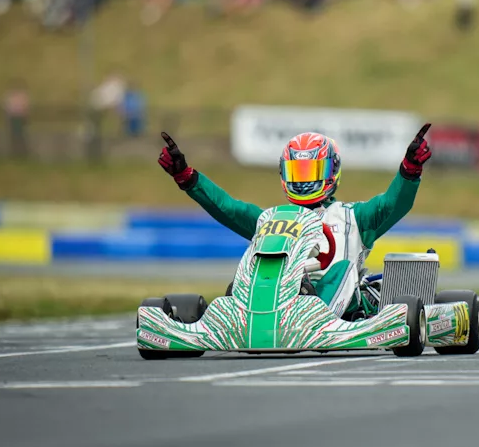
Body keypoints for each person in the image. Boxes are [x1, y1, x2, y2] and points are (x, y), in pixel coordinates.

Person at [157, 125, 433, 319]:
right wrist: (187, 177)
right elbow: (228, 208)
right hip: (280, 294)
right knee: (249, 274)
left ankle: (309, 306)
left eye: (311, 171)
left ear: (331, 172)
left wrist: (410, 170)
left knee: (341, 269)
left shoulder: (354, 217)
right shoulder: (270, 218)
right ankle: (242, 312)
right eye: (297, 172)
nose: (304, 180)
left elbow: (393, 203)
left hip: (333, 306)